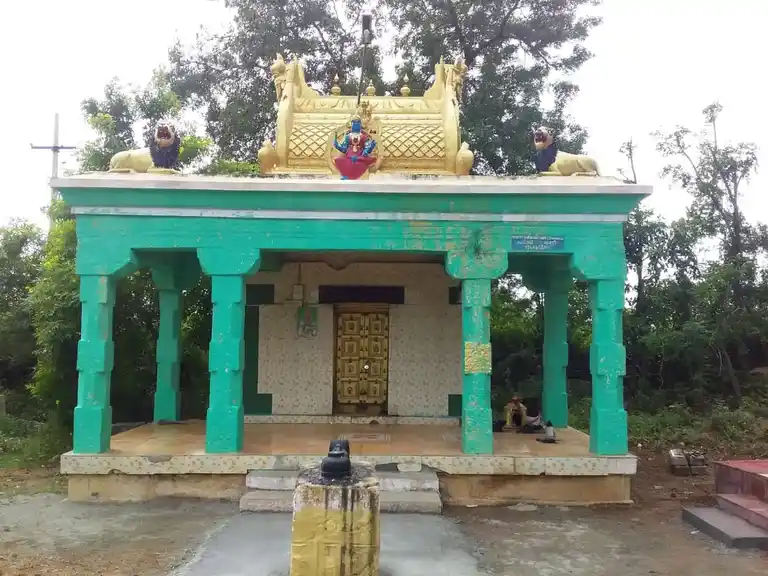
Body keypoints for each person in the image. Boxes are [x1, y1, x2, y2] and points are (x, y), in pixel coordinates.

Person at [333, 114, 377, 180]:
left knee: (358, 163)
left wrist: (369, 148)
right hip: (348, 156)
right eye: (354, 122)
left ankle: (353, 176)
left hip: (360, 157)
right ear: (351, 124)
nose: (356, 124)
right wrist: (337, 146)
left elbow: (366, 148)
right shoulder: (348, 136)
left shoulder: (364, 136)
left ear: (360, 124)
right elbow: (344, 149)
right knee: (340, 161)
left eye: (358, 122)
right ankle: (347, 175)